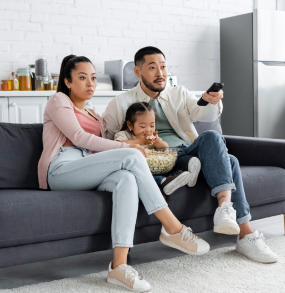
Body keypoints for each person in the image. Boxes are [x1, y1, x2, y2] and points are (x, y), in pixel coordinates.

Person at [37, 55, 211, 292]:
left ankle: (118, 266)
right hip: (61, 168)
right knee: (131, 156)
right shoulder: (58, 101)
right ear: (67, 81)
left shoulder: (94, 115)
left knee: (126, 179)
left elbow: (104, 143)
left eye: (94, 78)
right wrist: (129, 148)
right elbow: (79, 138)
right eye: (82, 78)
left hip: (88, 165)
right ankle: (173, 228)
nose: (90, 84)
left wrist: (140, 139)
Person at [103, 46, 278, 264]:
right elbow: (107, 140)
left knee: (213, 138)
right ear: (137, 72)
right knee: (230, 161)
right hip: (155, 159)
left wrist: (211, 101)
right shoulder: (120, 104)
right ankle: (245, 233)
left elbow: (201, 113)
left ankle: (225, 209)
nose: (160, 73)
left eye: (164, 67)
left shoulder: (179, 94)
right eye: (152, 67)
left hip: (187, 154)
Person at [114, 101, 201, 195]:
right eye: (142, 126)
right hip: (141, 168)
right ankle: (164, 182)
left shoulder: (153, 137)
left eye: (152, 125)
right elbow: (117, 145)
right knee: (143, 176)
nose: (148, 130)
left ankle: (188, 165)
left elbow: (165, 148)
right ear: (130, 125)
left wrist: (158, 142)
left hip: (157, 166)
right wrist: (140, 141)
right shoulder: (123, 135)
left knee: (173, 156)